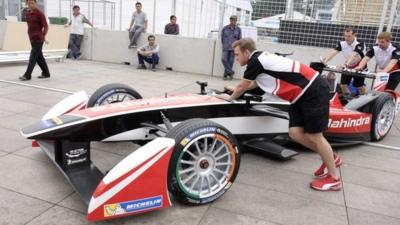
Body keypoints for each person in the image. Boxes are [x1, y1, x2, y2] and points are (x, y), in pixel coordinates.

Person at [217, 38, 342, 191]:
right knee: (295, 133)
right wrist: (234, 88)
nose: (236, 59)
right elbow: (256, 83)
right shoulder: (260, 59)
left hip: (312, 90)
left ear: (246, 52)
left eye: (237, 55)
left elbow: (244, 86)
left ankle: (334, 178)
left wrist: (230, 97)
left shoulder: (256, 61)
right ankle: (330, 157)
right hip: (300, 95)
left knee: (315, 136)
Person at [322, 27, 366, 95]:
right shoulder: (342, 43)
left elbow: (353, 55)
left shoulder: (360, 43)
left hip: (360, 66)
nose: (346, 38)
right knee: (343, 85)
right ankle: (348, 100)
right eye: (345, 36)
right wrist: (325, 60)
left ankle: (365, 101)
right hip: (348, 65)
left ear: (354, 35)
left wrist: (345, 65)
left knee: (359, 86)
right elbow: (334, 52)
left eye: (349, 36)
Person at [19, 0, 50, 81]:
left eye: (32, 3)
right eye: (29, 3)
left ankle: (27, 75)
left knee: (33, 56)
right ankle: (46, 73)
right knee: (39, 57)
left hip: (38, 39)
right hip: (32, 39)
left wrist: (43, 36)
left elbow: (46, 27)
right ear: (26, 4)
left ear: (36, 3)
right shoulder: (28, 13)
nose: (30, 5)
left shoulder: (40, 13)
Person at [221, 15, 242, 80]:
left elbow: (240, 39)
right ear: (230, 20)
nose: (233, 21)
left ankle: (226, 75)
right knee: (224, 59)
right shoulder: (225, 28)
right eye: (231, 19)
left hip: (234, 48)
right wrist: (224, 44)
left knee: (230, 62)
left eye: (234, 20)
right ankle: (231, 72)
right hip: (226, 47)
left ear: (236, 21)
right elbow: (222, 38)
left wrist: (238, 48)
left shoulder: (238, 29)